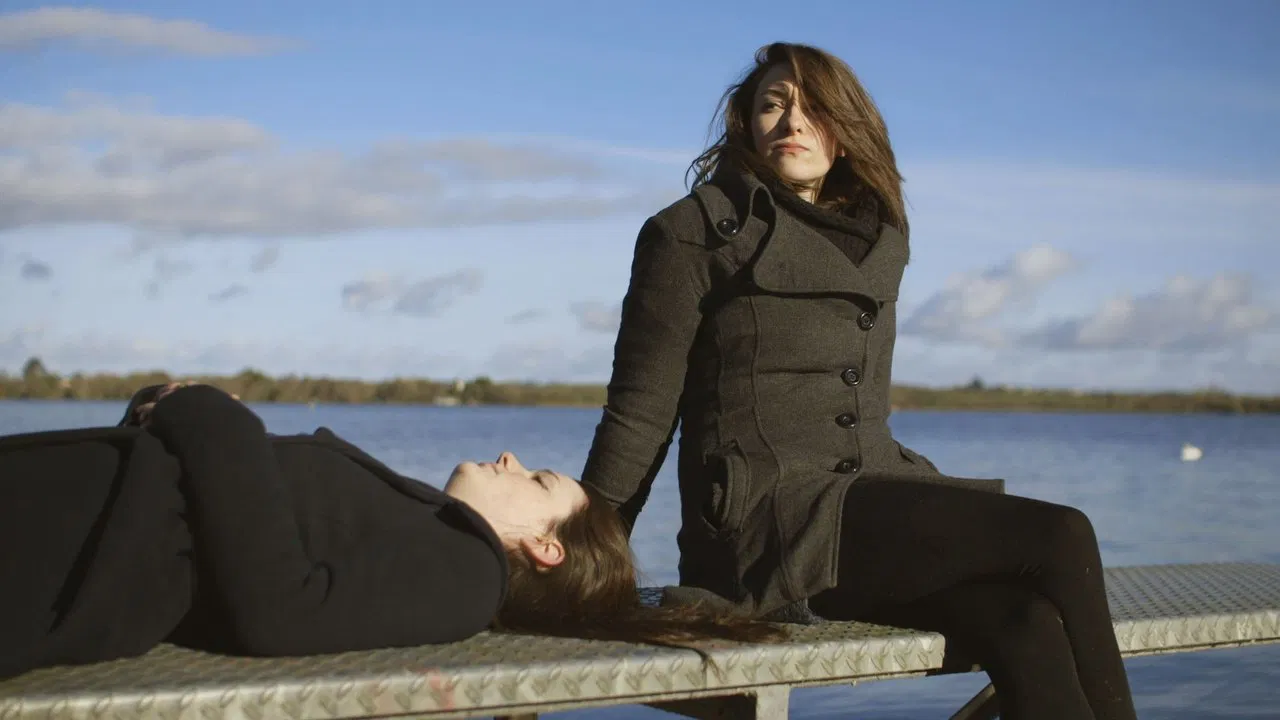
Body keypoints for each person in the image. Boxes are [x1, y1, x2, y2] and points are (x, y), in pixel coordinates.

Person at [580, 42, 1138, 720]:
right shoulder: (690, 233)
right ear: (746, 126)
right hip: (769, 523)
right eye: (773, 106)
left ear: (844, 133)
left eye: (814, 109)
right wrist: (585, 558)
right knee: (1060, 536)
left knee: (1025, 622)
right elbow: (640, 413)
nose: (792, 122)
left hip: (868, 498)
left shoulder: (882, 237)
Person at [0, 382, 779, 681]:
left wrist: (207, 410)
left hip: (52, 553)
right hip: (62, 528)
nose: (511, 457)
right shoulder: (436, 533)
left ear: (545, 547)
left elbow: (281, 609)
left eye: (536, 480)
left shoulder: (467, 576)